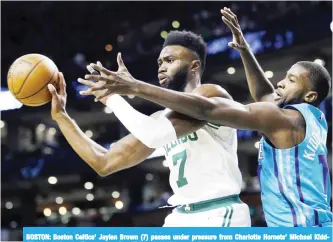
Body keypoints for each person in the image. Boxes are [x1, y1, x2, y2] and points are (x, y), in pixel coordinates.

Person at [80, 10, 332, 227]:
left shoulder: (284, 119)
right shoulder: (308, 118)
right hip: (309, 222)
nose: (280, 82)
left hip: (301, 226)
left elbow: (206, 110)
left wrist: (134, 87)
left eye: (290, 80)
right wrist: (245, 49)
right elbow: (265, 94)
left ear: (309, 95)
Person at [49, 30, 251, 227]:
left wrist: (117, 96)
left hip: (219, 213)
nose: (162, 67)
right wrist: (62, 117)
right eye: (160, 63)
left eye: (170, 61)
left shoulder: (212, 94)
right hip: (180, 216)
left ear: (194, 66)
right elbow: (104, 162)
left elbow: (154, 135)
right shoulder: (161, 121)